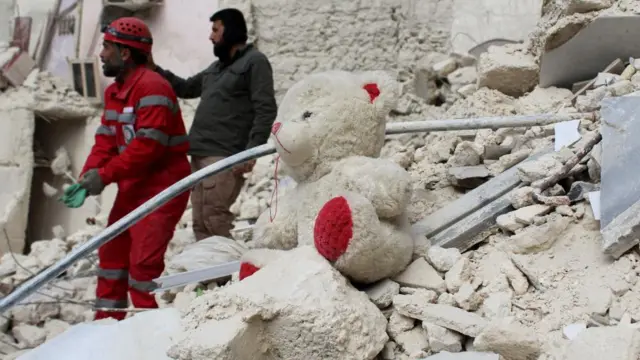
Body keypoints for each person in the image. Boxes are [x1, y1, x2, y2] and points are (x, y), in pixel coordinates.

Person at [75, 17, 191, 320]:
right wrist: (88, 175)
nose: (101, 54)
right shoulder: (116, 91)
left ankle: (144, 329)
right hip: (134, 186)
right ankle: (105, 327)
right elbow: (105, 140)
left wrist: (104, 176)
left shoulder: (154, 88)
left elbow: (147, 148)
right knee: (112, 252)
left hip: (162, 188)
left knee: (142, 264)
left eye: (106, 47)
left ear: (125, 53)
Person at [148, 8, 278, 241]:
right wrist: (155, 69)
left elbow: (265, 109)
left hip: (224, 156)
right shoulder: (216, 69)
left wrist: (251, 152)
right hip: (199, 155)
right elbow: (187, 88)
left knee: (213, 217)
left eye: (216, 30)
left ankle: (230, 271)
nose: (211, 36)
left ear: (231, 31)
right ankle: (212, 277)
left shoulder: (254, 62)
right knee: (200, 221)